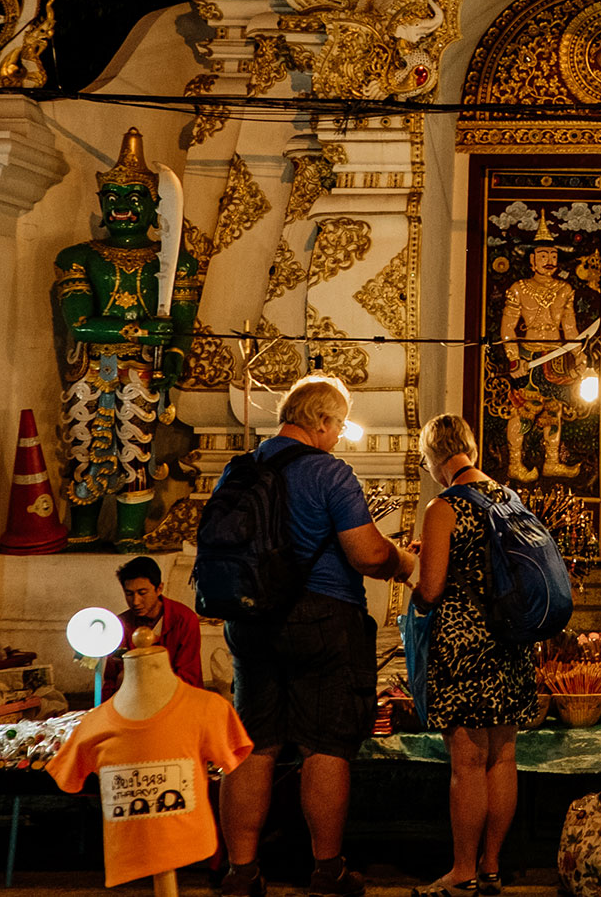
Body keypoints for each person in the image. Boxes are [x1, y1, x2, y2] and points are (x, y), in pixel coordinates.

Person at [217, 374, 417, 897]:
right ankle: (327, 869)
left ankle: (241, 872)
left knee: (252, 744)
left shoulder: (237, 471)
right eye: (338, 425)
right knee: (324, 745)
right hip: (324, 622)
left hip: (250, 621)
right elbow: (367, 553)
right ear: (322, 421)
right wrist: (405, 560)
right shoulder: (330, 473)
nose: (337, 436)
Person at [407, 414, 539, 897]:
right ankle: (490, 867)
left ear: (434, 458)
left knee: (467, 762)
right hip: (511, 641)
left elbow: (432, 588)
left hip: (463, 646)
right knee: (503, 756)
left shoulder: (444, 506)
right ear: (469, 449)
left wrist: (411, 574)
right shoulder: (509, 499)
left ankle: (461, 870)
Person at [104, 557, 203, 696]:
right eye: (129, 594)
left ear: (159, 588)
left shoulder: (184, 620)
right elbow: (111, 679)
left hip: (177, 699)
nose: (136, 602)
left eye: (142, 593)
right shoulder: (120, 624)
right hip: (130, 702)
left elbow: (188, 677)